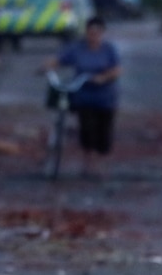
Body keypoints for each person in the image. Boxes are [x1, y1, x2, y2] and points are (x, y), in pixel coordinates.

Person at [43, 16, 122, 178]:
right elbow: (59, 60)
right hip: (84, 96)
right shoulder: (78, 49)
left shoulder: (109, 49)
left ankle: (101, 161)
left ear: (102, 33)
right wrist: (45, 66)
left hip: (105, 98)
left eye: (97, 32)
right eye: (90, 32)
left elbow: (117, 69)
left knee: (104, 133)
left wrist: (103, 77)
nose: (93, 35)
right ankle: (88, 163)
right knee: (86, 130)